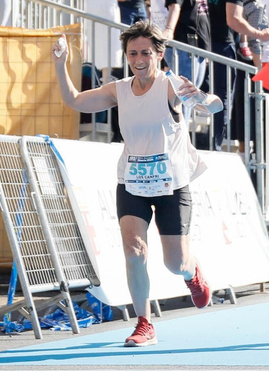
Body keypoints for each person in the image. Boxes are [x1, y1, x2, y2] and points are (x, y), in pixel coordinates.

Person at [51, 22, 219, 347]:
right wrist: (60, 65)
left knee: (175, 264)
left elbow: (214, 105)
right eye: (132, 53)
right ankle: (144, 323)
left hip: (172, 186)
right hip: (132, 183)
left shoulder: (170, 87)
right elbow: (74, 100)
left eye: (145, 53)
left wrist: (201, 96)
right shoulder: (120, 89)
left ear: (159, 54)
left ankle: (192, 272)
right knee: (134, 251)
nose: (139, 59)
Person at [199, 0, 269, 150]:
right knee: (222, 98)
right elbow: (234, 20)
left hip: (198, 43)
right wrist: (260, 34)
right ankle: (214, 145)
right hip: (221, 45)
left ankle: (203, 142)